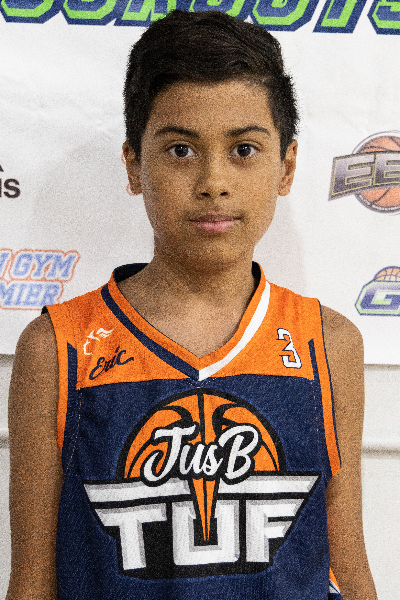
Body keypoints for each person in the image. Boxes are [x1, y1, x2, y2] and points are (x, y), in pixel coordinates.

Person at [7, 9, 377, 600]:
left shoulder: (328, 343)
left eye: (244, 149)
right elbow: (31, 584)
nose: (213, 181)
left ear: (286, 167)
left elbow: (347, 565)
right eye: (181, 150)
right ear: (134, 165)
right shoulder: (57, 348)